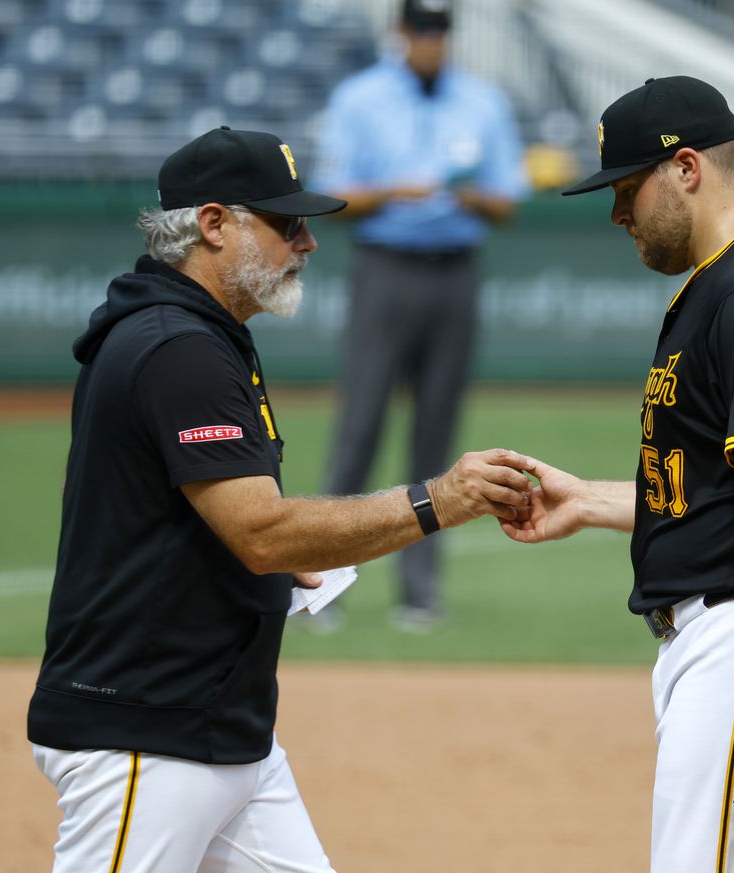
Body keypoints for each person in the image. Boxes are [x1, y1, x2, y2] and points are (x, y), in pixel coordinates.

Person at [26, 126, 533, 873]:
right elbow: (260, 529)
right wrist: (439, 500)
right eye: (286, 222)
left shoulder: (207, 333)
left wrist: (281, 561)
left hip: (219, 729)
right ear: (213, 223)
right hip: (145, 728)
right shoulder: (177, 347)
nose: (308, 242)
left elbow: (216, 524)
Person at [500, 76, 734, 872]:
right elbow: (722, 489)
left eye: (625, 187)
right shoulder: (730, 282)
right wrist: (597, 501)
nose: (615, 213)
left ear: (685, 169)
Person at [308, 0, 529, 631]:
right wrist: (395, 190)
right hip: (385, 264)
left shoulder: (482, 100)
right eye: (422, 30)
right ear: (400, 34)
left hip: (455, 267)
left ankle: (420, 592)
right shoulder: (361, 97)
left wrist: (468, 195)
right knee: (359, 428)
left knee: (436, 437)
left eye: (441, 31)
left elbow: (507, 197)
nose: (433, 42)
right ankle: (323, 586)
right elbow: (334, 194)